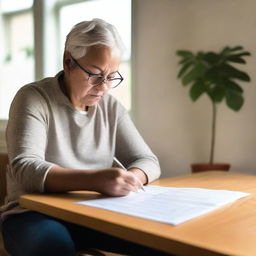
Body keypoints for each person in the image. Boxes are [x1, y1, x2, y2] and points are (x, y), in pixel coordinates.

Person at [0, 19, 168, 256]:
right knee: (53, 248)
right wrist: (95, 180)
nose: (104, 88)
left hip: (93, 213)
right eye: (96, 75)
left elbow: (147, 160)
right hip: (32, 214)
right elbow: (25, 168)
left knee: (165, 243)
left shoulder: (110, 107)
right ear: (68, 62)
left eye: (112, 77)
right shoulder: (33, 98)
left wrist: (131, 178)